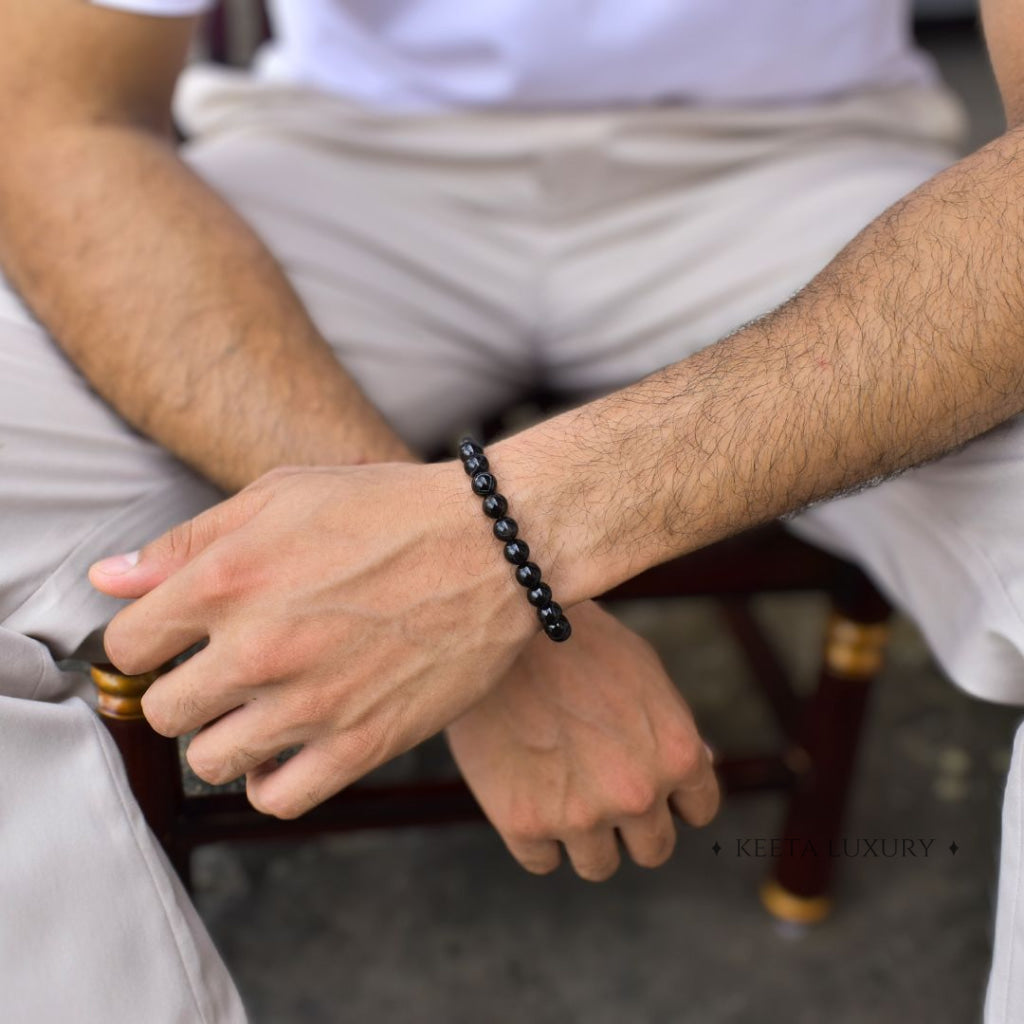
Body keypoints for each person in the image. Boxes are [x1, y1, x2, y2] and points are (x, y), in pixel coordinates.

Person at [0, 0, 1014, 1020]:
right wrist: (445, 586)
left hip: (814, 166)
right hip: (341, 160)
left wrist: (497, 550)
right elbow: (55, 117)